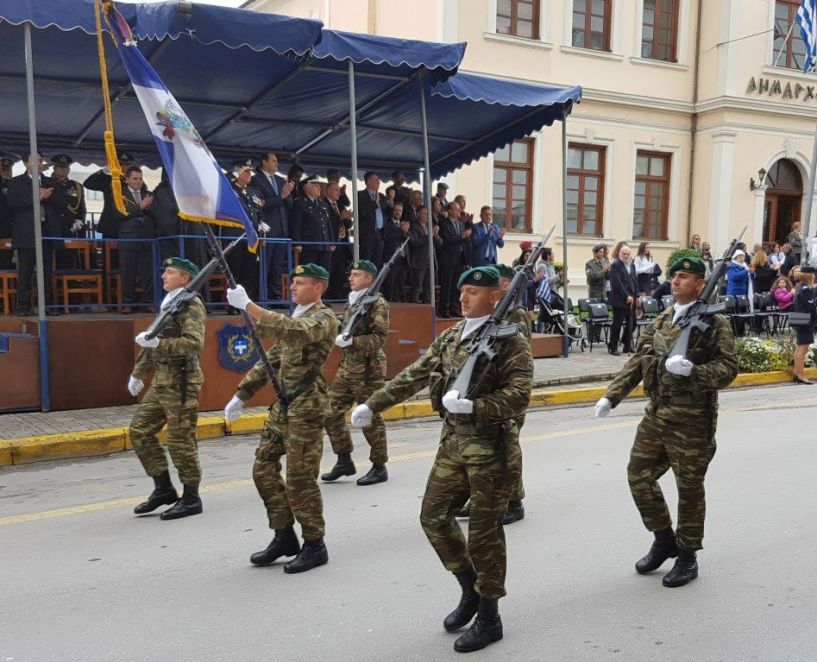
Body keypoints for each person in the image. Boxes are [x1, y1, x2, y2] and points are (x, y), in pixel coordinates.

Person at [350, 265, 533, 653]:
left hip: (492, 448)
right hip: (453, 444)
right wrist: (373, 403)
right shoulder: (451, 336)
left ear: (494, 297)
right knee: (432, 517)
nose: (464, 297)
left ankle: (489, 614)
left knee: (484, 534)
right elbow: (415, 374)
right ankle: (469, 587)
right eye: (462, 290)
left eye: (474, 291)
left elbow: (519, 395)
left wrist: (474, 406)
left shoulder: (511, 340)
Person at [594, 256, 738, 588]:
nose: (675, 281)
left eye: (684, 276)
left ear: (701, 283)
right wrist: (611, 396)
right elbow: (637, 362)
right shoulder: (661, 319)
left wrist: (694, 372)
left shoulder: (716, 323)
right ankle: (663, 539)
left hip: (692, 421)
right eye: (673, 275)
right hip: (656, 414)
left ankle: (687, 556)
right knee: (638, 476)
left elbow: (728, 369)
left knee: (688, 489)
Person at [223, 263, 338, 573]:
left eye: (301, 283)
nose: (293, 287)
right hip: (283, 406)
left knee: (300, 478)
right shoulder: (295, 317)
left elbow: (296, 332)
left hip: (307, 406)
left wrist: (249, 305)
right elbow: (271, 360)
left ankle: (315, 544)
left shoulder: (324, 319)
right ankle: (284, 535)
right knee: (262, 469)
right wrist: (241, 394)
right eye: (293, 282)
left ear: (319, 288)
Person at [128, 257, 207, 520]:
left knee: (180, 440)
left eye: (170, 272)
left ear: (185, 278)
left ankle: (191, 497)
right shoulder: (170, 303)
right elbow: (155, 337)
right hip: (162, 380)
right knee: (140, 431)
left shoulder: (191, 305)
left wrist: (158, 346)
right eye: (164, 271)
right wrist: (139, 373)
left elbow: (193, 344)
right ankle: (163, 489)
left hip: (182, 381)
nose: (163, 275)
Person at [321, 260, 390, 486]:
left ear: (369, 279)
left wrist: (352, 341)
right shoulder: (355, 301)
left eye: (356, 274)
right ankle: (343, 460)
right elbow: (347, 323)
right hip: (348, 368)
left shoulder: (377, 304)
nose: (350, 278)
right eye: (351, 274)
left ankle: (379, 466)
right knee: (330, 412)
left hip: (369, 369)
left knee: (369, 417)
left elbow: (379, 338)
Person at [6, 151, 58, 315]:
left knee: (47, 272)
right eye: (34, 161)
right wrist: (37, 197)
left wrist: (48, 196)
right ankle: (23, 306)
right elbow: (13, 203)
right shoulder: (16, 182)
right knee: (25, 272)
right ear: (26, 163)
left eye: (41, 160)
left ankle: (47, 306)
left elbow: (62, 203)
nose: (39, 163)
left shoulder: (50, 181)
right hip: (26, 233)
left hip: (46, 232)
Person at [252, 152, 295, 303]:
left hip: (282, 229)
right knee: (265, 264)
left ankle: (275, 297)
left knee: (277, 266)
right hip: (266, 229)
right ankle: (262, 297)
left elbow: (289, 204)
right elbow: (259, 204)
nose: (277, 164)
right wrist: (281, 197)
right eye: (274, 161)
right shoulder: (256, 180)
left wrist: (288, 192)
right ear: (264, 162)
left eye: (277, 161)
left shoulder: (280, 179)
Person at [224, 160, 263, 312]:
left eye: (249, 171)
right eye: (245, 171)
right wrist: (231, 174)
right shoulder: (229, 188)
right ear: (236, 174)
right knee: (235, 272)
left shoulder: (252, 191)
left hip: (251, 238)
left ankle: (246, 304)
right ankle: (232, 306)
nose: (249, 174)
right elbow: (222, 182)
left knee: (249, 272)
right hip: (235, 237)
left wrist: (260, 223)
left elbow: (258, 211)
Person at [47, 154, 86, 271]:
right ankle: (54, 286)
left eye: (65, 167)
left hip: (70, 227)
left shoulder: (76, 186)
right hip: (51, 228)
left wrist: (80, 220)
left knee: (70, 260)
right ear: (54, 168)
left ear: (69, 169)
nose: (63, 169)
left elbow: (82, 208)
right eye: (59, 167)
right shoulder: (47, 183)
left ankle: (70, 285)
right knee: (52, 261)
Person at [83, 150, 133, 239]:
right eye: (120, 164)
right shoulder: (109, 179)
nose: (123, 167)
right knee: (110, 252)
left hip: (129, 225)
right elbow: (88, 183)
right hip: (111, 224)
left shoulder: (135, 181)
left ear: (131, 166)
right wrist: (105, 170)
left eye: (127, 164)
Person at [291, 174, 333, 276]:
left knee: (324, 273)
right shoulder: (300, 203)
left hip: (324, 245)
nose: (319, 188)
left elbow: (328, 223)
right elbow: (296, 224)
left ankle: (322, 292)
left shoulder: (323, 203)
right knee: (309, 274)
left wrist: (332, 241)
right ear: (307, 187)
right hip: (309, 245)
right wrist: (297, 243)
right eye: (316, 185)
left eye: (319, 185)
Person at [437, 201, 469, 318]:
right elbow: (447, 240)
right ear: (449, 211)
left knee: (456, 286)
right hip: (448, 259)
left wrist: (466, 236)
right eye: (456, 209)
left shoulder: (460, 224)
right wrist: (461, 237)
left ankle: (454, 308)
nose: (458, 211)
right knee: (447, 286)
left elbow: (463, 241)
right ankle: (444, 309)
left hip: (459, 259)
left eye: (459, 209)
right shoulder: (444, 223)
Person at [324, 180, 353, 300]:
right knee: (329, 269)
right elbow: (327, 223)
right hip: (330, 242)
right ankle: (327, 297)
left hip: (342, 243)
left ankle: (337, 296)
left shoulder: (340, 205)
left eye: (339, 190)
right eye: (336, 190)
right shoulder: (323, 204)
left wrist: (348, 219)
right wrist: (340, 217)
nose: (339, 192)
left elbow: (348, 224)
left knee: (339, 270)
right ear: (328, 191)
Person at [608, 243, 637, 355]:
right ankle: (613, 347)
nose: (625, 256)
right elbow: (617, 284)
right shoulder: (616, 265)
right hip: (620, 299)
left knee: (632, 323)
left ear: (630, 255)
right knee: (617, 324)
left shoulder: (632, 265)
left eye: (628, 254)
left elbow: (635, 281)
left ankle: (626, 344)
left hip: (632, 299)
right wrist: (626, 296)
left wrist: (637, 295)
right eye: (623, 254)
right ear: (619, 254)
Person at [408, 205, 441, 304]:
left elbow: (440, 244)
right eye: (425, 214)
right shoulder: (414, 226)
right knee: (417, 287)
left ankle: (427, 311)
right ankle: (412, 310)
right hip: (419, 261)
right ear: (418, 214)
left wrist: (436, 236)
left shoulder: (430, 226)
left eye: (428, 214)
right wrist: (429, 236)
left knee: (429, 288)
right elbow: (415, 242)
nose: (427, 216)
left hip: (431, 261)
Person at [791, 267, 816, 385]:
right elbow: (811, 307)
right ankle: (801, 375)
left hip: (800, 319)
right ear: (809, 276)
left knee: (799, 347)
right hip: (805, 321)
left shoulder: (800, 287)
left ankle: (797, 373)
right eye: (813, 274)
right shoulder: (806, 289)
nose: (814, 276)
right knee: (803, 348)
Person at [357, 171, 388, 267]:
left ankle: (375, 282)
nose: (378, 182)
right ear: (368, 181)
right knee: (366, 264)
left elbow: (387, 213)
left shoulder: (381, 196)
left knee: (377, 263)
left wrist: (390, 201)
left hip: (379, 234)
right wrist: (375, 204)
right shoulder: (360, 195)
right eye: (376, 179)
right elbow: (362, 212)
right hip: (367, 236)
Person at [382, 202, 411, 301]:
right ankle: (389, 304)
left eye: (400, 211)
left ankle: (397, 303)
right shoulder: (387, 223)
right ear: (392, 211)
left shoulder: (404, 224)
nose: (398, 212)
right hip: (391, 258)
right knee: (390, 282)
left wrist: (406, 232)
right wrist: (400, 230)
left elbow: (409, 239)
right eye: (396, 210)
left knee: (400, 282)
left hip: (403, 258)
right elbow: (386, 237)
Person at [150, 168, 181, 264]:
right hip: (168, 237)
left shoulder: (180, 190)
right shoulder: (161, 192)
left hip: (181, 235)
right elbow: (163, 217)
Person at [0, 155, 13, 270]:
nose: (7, 172)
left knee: (8, 260)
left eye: (8, 170)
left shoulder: (16, 184)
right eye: (3, 170)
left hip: (12, 228)